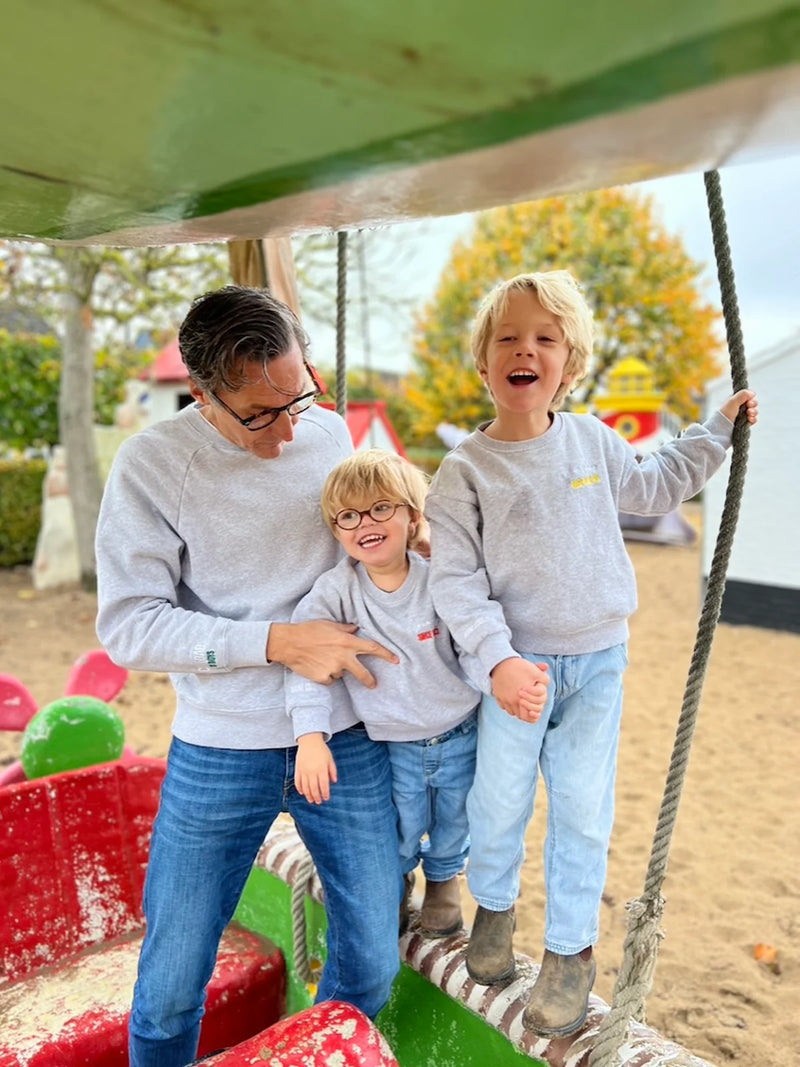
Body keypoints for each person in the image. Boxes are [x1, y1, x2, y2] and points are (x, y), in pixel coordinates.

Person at [424, 269, 758, 1038]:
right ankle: (495, 911)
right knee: (500, 799)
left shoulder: (593, 441)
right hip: (516, 670)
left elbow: (657, 485)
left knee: (582, 808)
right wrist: (498, 660)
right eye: (508, 337)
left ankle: (571, 953)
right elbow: (457, 582)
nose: (525, 349)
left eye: (545, 338)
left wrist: (715, 430)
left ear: (569, 366)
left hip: (599, 660)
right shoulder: (465, 471)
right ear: (484, 362)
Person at [95, 286, 404, 1067]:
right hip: (219, 744)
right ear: (200, 394)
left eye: (297, 395)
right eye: (260, 414)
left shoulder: (332, 434)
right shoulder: (152, 464)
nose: (290, 427)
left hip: (344, 734)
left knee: (372, 964)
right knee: (169, 987)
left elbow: (390, 544)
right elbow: (129, 625)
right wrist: (275, 642)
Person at [286, 449, 546, 936]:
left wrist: (495, 675)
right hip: (390, 741)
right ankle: (400, 878)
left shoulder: (439, 583)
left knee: (455, 814)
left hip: (459, 729)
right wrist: (310, 737)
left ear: (412, 516)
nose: (366, 522)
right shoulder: (334, 592)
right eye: (348, 516)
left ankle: (444, 881)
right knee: (401, 821)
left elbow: (468, 645)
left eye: (381, 508)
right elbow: (307, 667)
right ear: (336, 530)